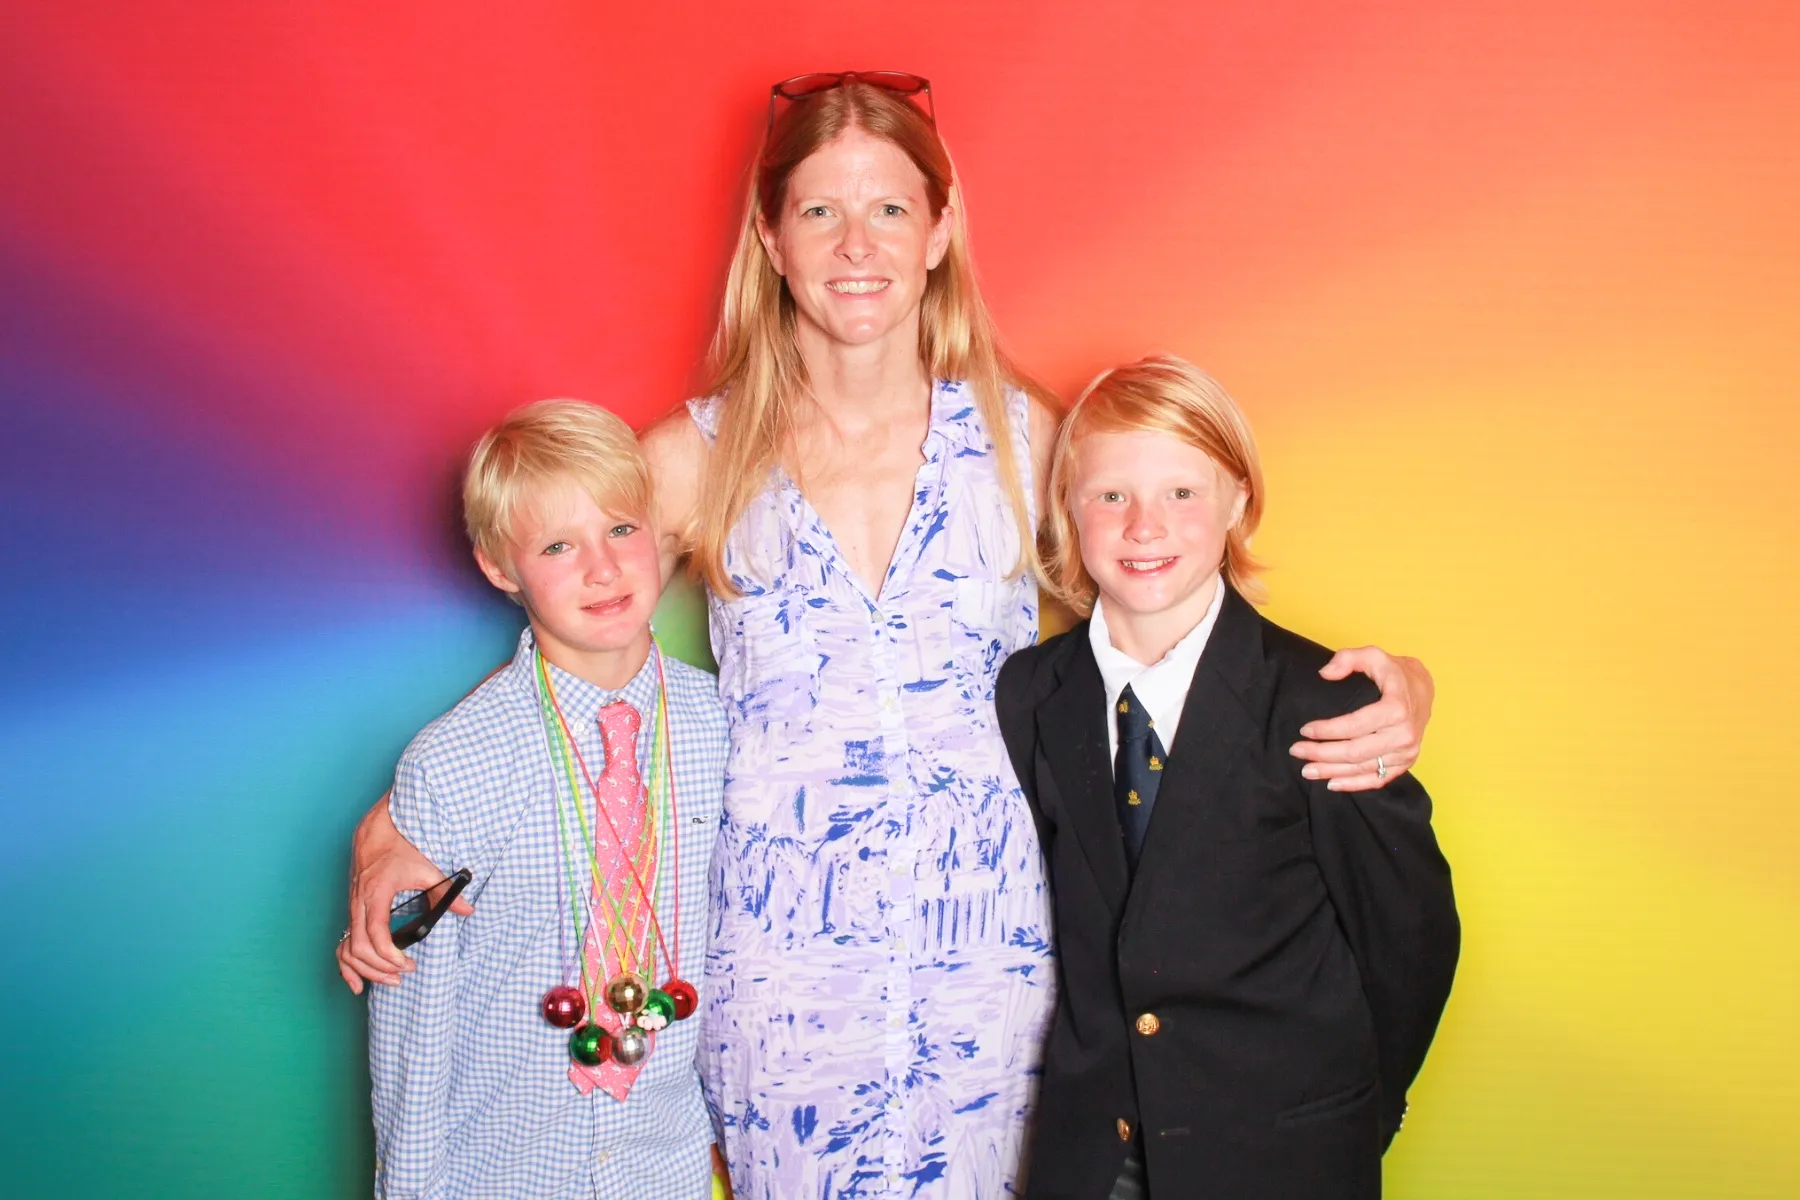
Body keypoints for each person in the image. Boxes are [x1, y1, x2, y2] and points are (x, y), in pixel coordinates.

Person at [338, 75, 1439, 1199]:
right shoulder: (692, 458)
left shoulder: (1026, 441)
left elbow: (1175, 613)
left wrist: (1389, 687)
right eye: (819, 210)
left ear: (940, 227)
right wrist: (397, 826)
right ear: (769, 235)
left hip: (999, 995)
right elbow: (577, 636)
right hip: (787, 1006)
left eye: (890, 210)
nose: (855, 245)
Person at [996, 357, 1460, 1200]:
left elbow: (1411, 942)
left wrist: (1351, 1116)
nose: (1145, 526)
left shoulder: (1330, 705)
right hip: (1090, 1157)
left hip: (1280, 1158)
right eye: (1111, 495)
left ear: (1237, 502)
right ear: (1066, 505)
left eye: (1182, 493)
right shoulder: (1029, 694)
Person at [365, 400, 727, 1198]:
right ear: (501, 568)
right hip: (502, 1170)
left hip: (663, 1169)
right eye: (559, 546)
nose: (603, 568)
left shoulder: (722, 723)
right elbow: (412, 1033)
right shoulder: (455, 762)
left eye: (623, 531)